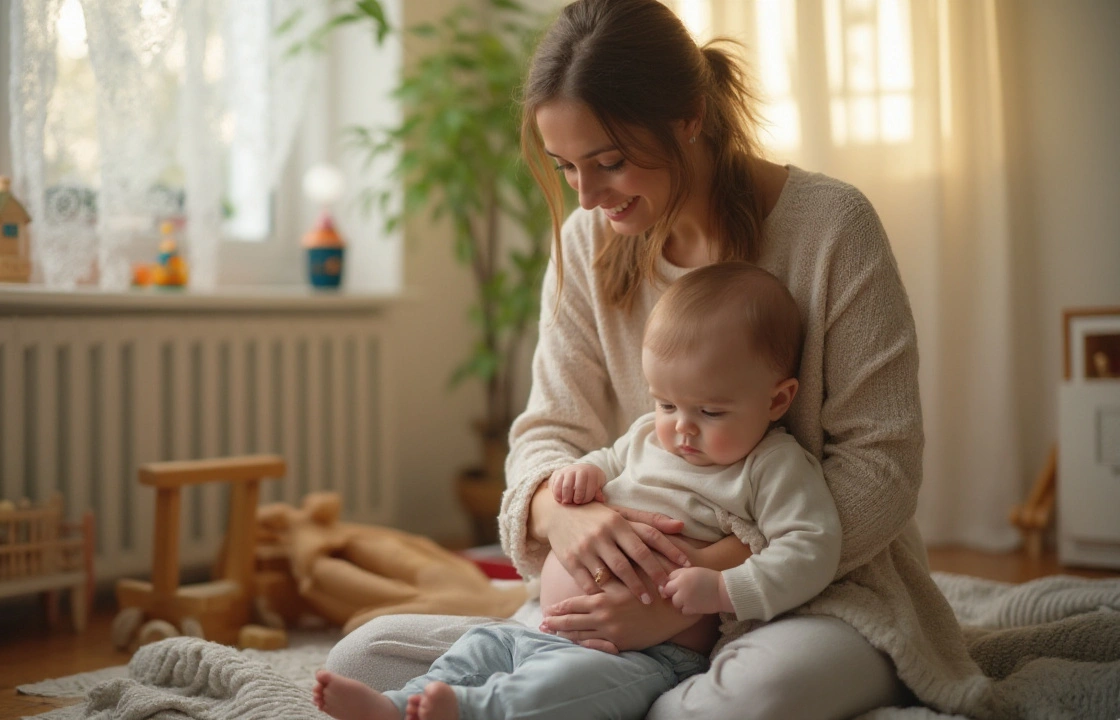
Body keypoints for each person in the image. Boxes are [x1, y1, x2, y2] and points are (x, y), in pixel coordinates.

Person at [328, 0, 991, 718]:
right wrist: (564, 520)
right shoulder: (588, 243)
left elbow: (881, 472)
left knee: (754, 696)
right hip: (609, 612)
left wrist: (690, 589)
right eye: (565, 167)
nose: (585, 196)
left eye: (608, 162)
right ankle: (598, 693)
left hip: (808, 594)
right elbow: (547, 434)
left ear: (690, 117)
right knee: (363, 654)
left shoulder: (832, 228)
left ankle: (608, 696)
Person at [313, 263, 841, 720]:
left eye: (710, 412)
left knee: (562, 690)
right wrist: (578, 475)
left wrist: (725, 590)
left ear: (777, 400)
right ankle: (398, 705)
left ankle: (472, 713)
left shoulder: (772, 465)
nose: (682, 429)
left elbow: (813, 546)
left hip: (640, 655)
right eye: (666, 404)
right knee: (479, 648)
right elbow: (603, 459)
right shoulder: (645, 437)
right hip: (539, 627)